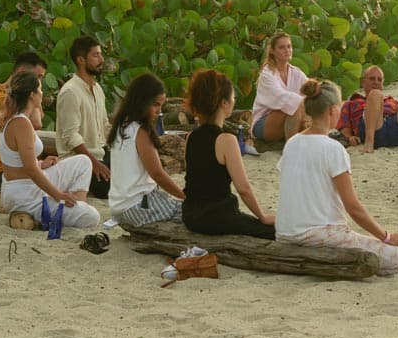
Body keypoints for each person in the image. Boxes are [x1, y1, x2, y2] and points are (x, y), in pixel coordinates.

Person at [276, 79, 398, 275]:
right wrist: (386, 237)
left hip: (285, 234)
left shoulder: (292, 143)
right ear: (332, 110)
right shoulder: (333, 148)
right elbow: (353, 207)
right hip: (319, 236)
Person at [0, 70, 101, 229]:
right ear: (32, 95)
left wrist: (41, 163)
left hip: (25, 186)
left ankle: (73, 206)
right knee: (92, 217)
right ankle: (69, 209)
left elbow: (19, 161)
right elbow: (30, 170)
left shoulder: (15, 118)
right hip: (24, 195)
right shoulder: (20, 123)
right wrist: (58, 195)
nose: (42, 93)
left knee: (83, 162)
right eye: (40, 90)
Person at [182, 69, 275, 238]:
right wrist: (262, 216)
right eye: (232, 98)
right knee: (274, 231)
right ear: (224, 103)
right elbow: (243, 188)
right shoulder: (226, 140)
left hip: (190, 215)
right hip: (217, 217)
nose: (234, 101)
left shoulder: (191, 137)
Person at [106, 73, 184, 227]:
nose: (159, 111)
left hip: (120, 206)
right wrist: (184, 196)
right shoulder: (140, 131)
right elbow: (157, 174)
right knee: (190, 212)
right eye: (155, 104)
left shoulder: (121, 126)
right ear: (142, 102)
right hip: (136, 205)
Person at [0, 51, 48, 211]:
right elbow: (37, 122)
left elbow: (38, 118)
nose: (38, 83)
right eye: (37, 77)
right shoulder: (1, 99)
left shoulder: (9, 98)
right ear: (22, 73)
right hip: (1, 172)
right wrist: (35, 96)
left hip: (16, 167)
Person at [55, 35, 111, 198]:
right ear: (81, 60)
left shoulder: (98, 88)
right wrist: (95, 165)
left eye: (101, 54)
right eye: (95, 55)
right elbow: (71, 137)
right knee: (110, 189)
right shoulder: (70, 92)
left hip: (100, 153)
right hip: (80, 162)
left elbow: (105, 126)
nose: (101, 60)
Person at [336, 66, 398, 153]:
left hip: (397, 129)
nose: (376, 82)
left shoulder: (391, 100)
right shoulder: (352, 102)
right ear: (363, 82)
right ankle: (369, 144)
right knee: (375, 94)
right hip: (374, 129)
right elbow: (345, 126)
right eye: (372, 79)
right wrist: (350, 137)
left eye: (379, 80)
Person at [250, 32, 307, 145]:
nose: (287, 50)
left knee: (308, 105)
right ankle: (291, 146)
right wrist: (304, 102)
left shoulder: (296, 72)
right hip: (263, 124)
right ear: (272, 51)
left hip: (288, 120)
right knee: (293, 105)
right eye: (282, 47)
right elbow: (280, 97)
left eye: (289, 46)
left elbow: (310, 90)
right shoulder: (267, 73)